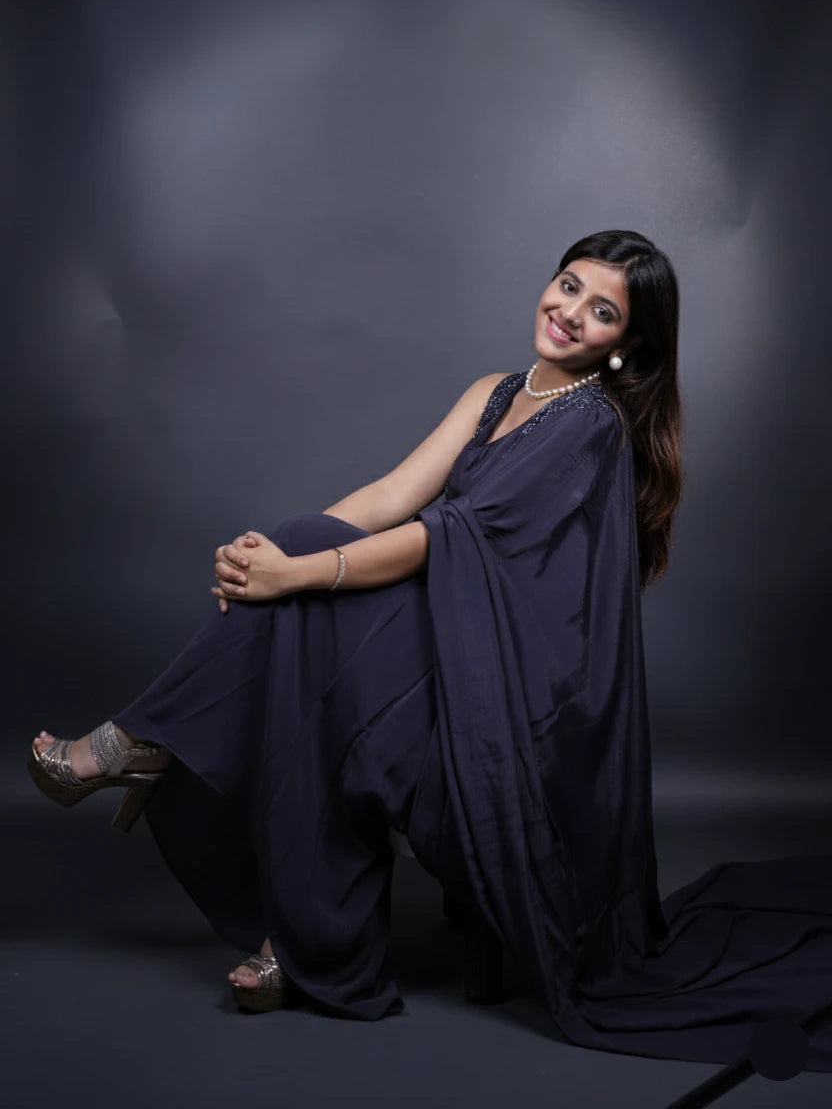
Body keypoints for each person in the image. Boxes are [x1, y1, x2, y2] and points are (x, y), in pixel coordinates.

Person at [28, 230, 832, 1069]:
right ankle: (293, 929)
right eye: (566, 287)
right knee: (311, 600)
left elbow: (447, 538)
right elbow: (387, 497)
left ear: (625, 346)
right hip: (442, 645)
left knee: (314, 609)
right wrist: (269, 558)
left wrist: (295, 574)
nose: (568, 314)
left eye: (601, 313)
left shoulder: (590, 426)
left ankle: (147, 751)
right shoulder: (496, 392)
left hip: (509, 693)